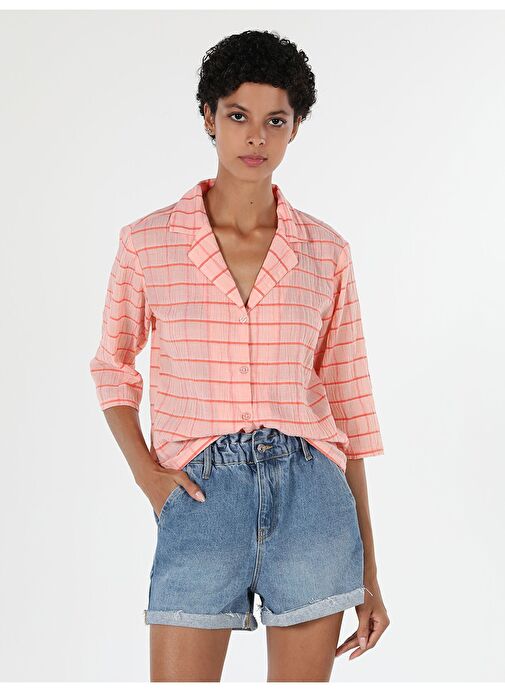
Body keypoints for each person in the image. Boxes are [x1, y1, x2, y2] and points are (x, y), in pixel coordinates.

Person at [89, 29, 390, 683]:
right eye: (237, 116)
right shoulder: (148, 243)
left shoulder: (325, 251)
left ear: (295, 127)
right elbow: (112, 367)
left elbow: (348, 408)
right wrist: (147, 476)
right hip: (200, 497)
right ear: (208, 117)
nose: (256, 137)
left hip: (312, 500)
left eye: (275, 120)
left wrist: (367, 571)